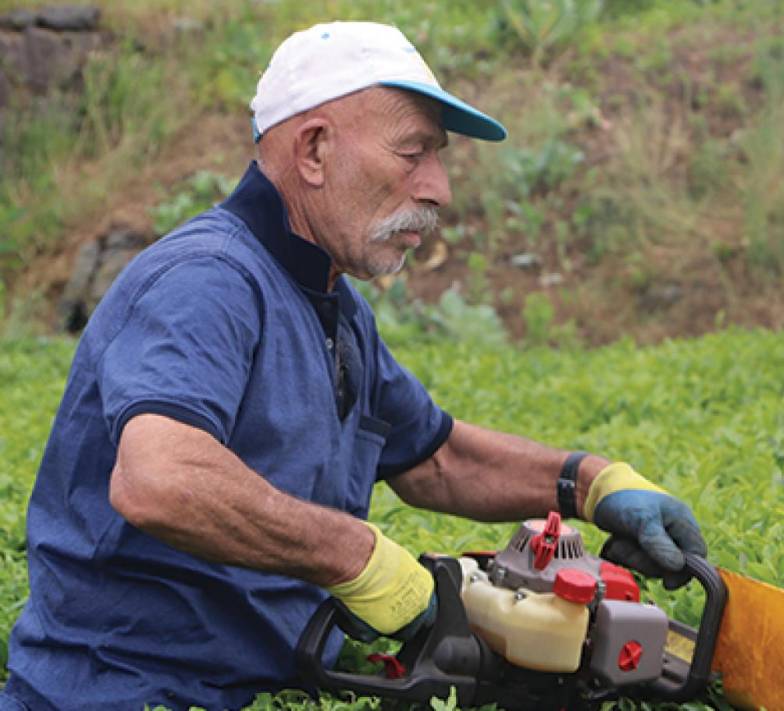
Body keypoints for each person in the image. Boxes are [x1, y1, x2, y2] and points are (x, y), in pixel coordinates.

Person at [0, 21, 706, 711]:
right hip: (128, 688)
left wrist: (590, 482)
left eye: (439, 158)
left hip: (274, 682)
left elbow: (435, 458)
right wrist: (358, 556)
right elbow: (161, 478)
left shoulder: (327, 298)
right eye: (413, 153)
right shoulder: (207, 280)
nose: (439, 188)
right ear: (313, 150)